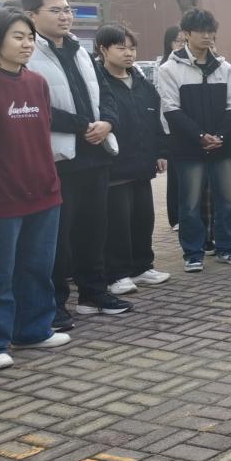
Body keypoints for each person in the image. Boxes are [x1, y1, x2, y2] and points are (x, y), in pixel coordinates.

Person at [23, 0, 124, 326]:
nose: (65, 16)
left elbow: (105, 92)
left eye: (67, 9)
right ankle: (54, 304)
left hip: (95, 153)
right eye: (56, 10)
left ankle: (93, 293)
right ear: (31, 15)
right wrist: (82, 125)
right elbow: (37, 106)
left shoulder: (80, 50)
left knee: (94, 229)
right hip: (59, 158)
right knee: (59, 237)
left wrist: (108, 122)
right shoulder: (28, 55)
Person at [0, 9, 69, 369]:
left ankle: (34, 329)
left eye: (29, 37)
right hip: (0, 197)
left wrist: (48, 178)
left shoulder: (36, 82)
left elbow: (43, 133)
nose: (26, 44)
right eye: (17, 37)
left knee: (37, 266)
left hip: (44, 191)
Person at [158, 9, 231, 273]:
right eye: (201, 31)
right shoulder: (169, 69)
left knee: (226, 199)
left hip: (224, 146)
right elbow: (171, 110)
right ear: (186, 34)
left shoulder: (225, 67)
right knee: (190, 202)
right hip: (188, 148)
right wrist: (199, 136)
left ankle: (226, 248)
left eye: (210, 31)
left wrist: (220, 136)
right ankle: (193, 253)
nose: (207, 36)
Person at [95, 25, 170, 296]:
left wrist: (161, 152)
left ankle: (142, 266)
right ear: (103, 49)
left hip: (141, 165)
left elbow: (154, 122)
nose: (129, 53)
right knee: (118, 223)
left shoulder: (142, 84)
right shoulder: (98, 84)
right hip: (114, 168)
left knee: (143, 218)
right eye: (121, 47)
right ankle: (116, 274)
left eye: (132, 48)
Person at [159, 26, 185, 230]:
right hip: (170, 129)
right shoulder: (165, 67)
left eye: (184, 41)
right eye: (177, 41)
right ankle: (175, 217)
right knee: (175, 176)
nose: (181, 45)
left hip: (187, 129)